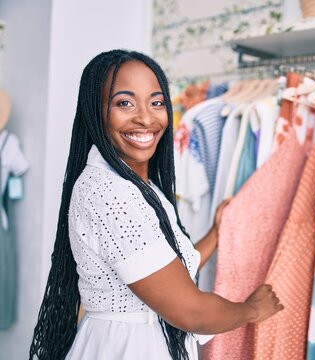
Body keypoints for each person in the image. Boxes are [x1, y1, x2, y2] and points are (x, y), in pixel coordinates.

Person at [29, 50, 283, 360]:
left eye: (157, 102)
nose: (146, 118)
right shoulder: (110, 193)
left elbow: (164, 270)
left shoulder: (136, 184)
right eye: (125, 103)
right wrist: (252, 310)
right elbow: (192, 312)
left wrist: (216, 233)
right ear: (95, 111)